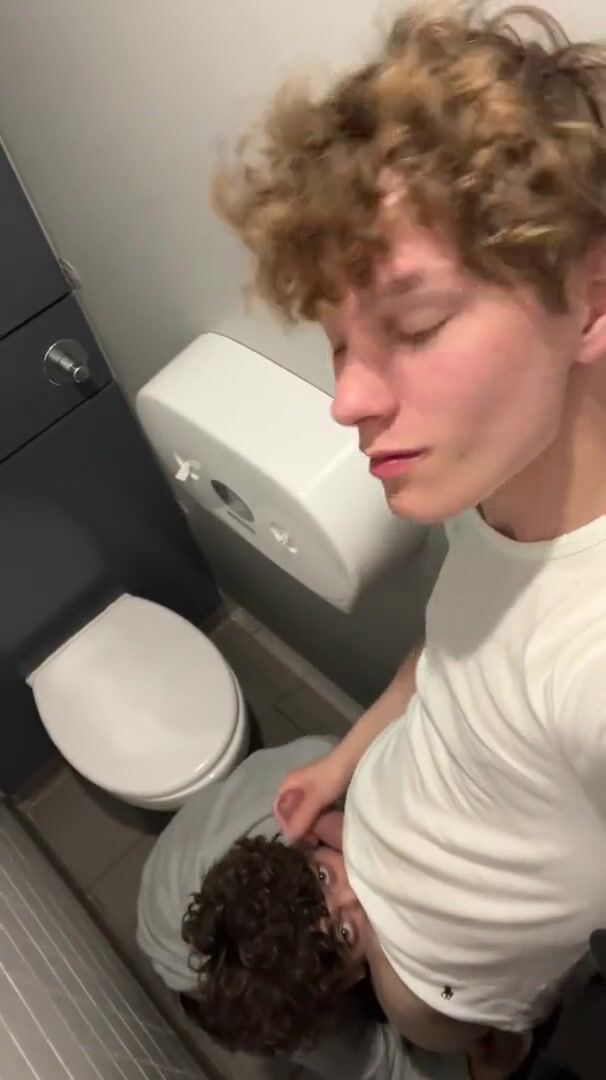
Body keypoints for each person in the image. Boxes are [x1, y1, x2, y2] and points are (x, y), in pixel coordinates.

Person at [212, 0, 606, 1068]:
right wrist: (345, 763)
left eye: (415, 325)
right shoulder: (496, 496)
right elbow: (456, 656)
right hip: (398, 800)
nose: (345, 401)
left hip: (459, 971)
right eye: (341, 344)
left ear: (590, 296)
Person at [136, 735, 483, 1079]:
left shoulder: (331, 769)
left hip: (178, 877)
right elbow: (381, 1064)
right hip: (172, 929)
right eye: (345, 932)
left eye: (324, 876)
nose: (357, 889)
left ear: (304, 845)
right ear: (349, 979)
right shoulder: (285, 1000)